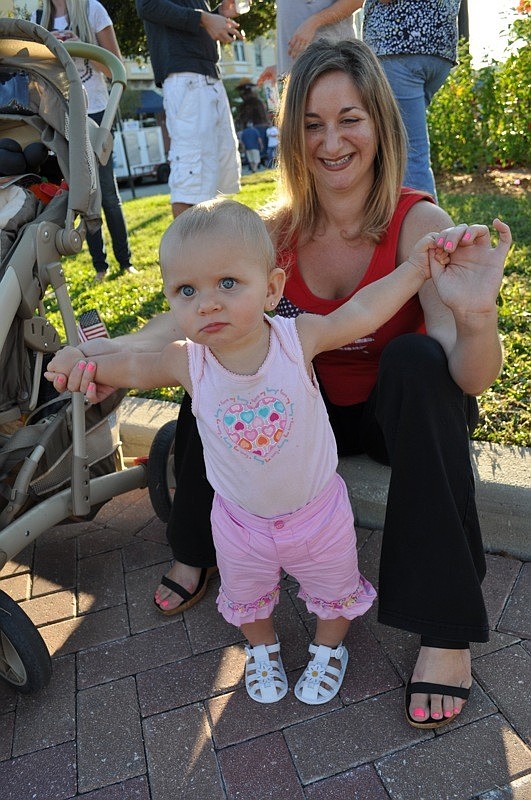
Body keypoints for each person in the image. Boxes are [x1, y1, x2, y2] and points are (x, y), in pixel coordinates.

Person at [52, 39, 512, 728]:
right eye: (312, 123)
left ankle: (445, 627)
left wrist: (476, 319)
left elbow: (467, 380)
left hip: (399, 417)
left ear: (379, 123)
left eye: (349, 118)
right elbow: (168, 325)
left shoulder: (422, 225)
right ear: (292, 133)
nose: (331, 141)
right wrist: (104, 354)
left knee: (415, 362)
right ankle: (195, 548)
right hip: (306, 414)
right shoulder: (276, 233)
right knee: (216, 348)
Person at [33, 0, 137, 281]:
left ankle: (125, 261)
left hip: (98, 110)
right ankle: (99, 266)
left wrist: (81, 44)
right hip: (61, 113)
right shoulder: (39, 16)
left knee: (106, 192)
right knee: (83, 192)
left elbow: (114, 65)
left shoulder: (92, 9)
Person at [135, 0, 242, 218]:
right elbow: (147, 5)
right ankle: (186, 252)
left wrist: (217, 15)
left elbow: (189, 13)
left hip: (209, 75)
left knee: (215, 178)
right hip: (185, 78)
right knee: (190, 181)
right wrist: (204, 18)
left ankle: (210, 249)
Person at [362, 0, 462, 198]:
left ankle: (423, 226)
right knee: (397, 146)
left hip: (399, 44)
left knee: (408, 153)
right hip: (439, 47)